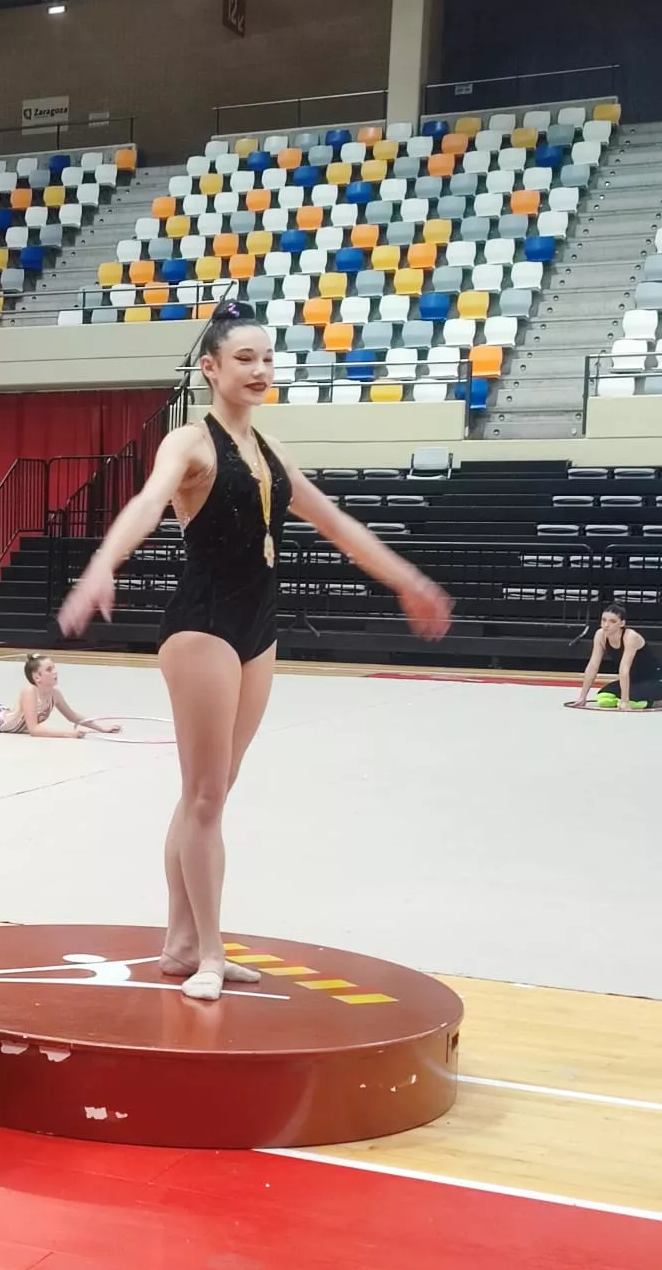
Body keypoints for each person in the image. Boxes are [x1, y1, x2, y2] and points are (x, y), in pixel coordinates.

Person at [57, 300, 451, 1000]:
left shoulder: (272, 453)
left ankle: (181, 941)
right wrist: (102, 565)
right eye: (245, 358)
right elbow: (147, 502)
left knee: (208, 794)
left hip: (257, 628)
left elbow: (338, 525)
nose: (261, 369)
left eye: (267, 358)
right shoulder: (190, 443)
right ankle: (210, 953)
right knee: (206, 797)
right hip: (202, 626)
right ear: (211, 368)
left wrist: (408, 580)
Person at [568, 603, 658, 710]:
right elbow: (593, 665)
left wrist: (625, 701)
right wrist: (582, 697)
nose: (606, 625)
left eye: (612, 621)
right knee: (603, 697)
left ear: (622, 623)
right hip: (633, 680)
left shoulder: (630, 637)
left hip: (653, 679)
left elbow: (624, 668)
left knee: (633, 701)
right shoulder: (600, 635)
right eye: (604, 620)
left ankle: (657, 701)